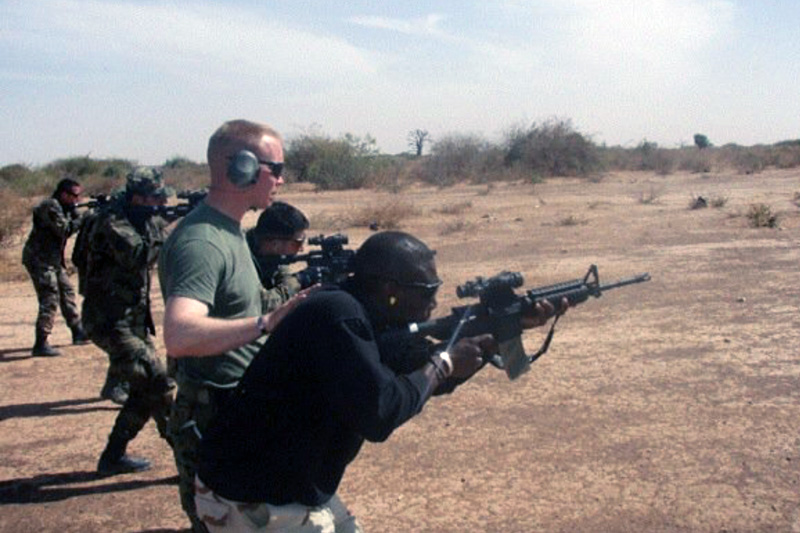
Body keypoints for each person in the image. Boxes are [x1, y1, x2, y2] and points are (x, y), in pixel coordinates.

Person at [194, 231, 564, 532]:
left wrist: (502, 332)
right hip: (254, 494)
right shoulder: (337, 315)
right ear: (390, 289)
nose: (433, 303)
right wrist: (445, 362)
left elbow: (419, 371)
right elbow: (381, 412)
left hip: (288, 485)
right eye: (427, 291)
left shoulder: (365, 315)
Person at [158, 119, 314, 532]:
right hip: (211, 415)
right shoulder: (203, 242)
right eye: (276, 169)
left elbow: (242, 306)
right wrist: (267, 322)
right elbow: (180, 334)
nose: (281, 180)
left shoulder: (230, 232)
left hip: (234, 405)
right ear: (243, 168)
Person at [81, 167, 175, 475]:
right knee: (159, 383)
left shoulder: (138, 217)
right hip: (109, 322)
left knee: (144, 391)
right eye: (156, 198)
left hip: (131, 321)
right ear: (138, 197)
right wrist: (170, 226)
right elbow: (139, 255)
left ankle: (112, 456)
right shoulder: (112, 221)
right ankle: (190, 459)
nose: (161, 204)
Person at [22, 177, 90, 357]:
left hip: (53, 260)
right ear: (63, 194)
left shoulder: (64, 208)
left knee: (66, 292)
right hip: (39, 260)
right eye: (74, 195)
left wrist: (78, 214)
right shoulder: (50, 206)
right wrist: (82, 218)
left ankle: (77, 331)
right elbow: (64, 230)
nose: (77, 199)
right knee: (50, 298)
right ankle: (41, 342)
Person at [246, 200, 314, 308]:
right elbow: (260, 304)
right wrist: (298, 281)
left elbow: (283, 275)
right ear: (275, 244)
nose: (301, 249)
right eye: (298, 242)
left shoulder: (272, 255)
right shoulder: (240, 257)